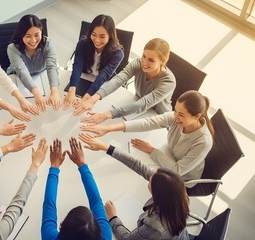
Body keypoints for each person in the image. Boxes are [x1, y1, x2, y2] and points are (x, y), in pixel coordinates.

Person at [81, 90, 214, 183]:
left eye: (181, 115)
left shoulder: (203, 141)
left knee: (133, 176)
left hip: (181, 177)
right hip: (166, 155)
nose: (176, 117)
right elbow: (149, 122)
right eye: (175, 111)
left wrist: (152, 150)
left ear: (197, 116)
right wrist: (108, 128)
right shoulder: (177, 117)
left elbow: (177, 170)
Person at [79, 133, 190, 239]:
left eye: (151, 180)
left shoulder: (155, 226)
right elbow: (137, 165)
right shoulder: (177, 196)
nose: (150, 176)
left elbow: (126, 238)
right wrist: (107, 147)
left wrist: (112, 217)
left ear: (158, 193)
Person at [77, 38, 176, 119]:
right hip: (137, 110)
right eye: (144, 56)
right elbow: (118, 80)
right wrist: (93, 99)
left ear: (162, 61)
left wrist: (106, 115)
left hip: (158, 117)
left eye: (151, 60)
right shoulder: (138, 63)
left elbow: (144, 103)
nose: (144, 62)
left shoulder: (169, 81)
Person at [41, 138, 111, 240]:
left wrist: (55, 166)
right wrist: (82, 165)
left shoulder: (49, 237)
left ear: (62, 226)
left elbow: (49, 204)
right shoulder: (105, 237)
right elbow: (96, 202)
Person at [63, 14, 124, 114]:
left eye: (102, 36)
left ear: (110, 36)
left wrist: (87, 97)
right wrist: (72, 89)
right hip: (84, 77)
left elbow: (103, 76)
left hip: (102, 84)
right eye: (94, 34)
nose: (97, 40)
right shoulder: (83, 44)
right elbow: (77, 65)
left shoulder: (118, 54)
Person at [8, 14, 61, 112]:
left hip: (41, 76)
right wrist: (37, 93)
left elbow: (51, 66)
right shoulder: (12, 48)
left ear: (41, 31)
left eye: (37, 35)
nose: (33, 40)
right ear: (21, 34)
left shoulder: (48, 43)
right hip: (18, 78)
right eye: (28, 36)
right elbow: (22, 71)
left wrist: (54, 90)